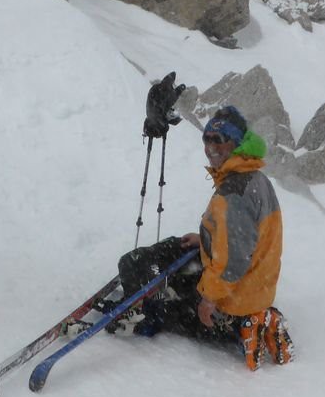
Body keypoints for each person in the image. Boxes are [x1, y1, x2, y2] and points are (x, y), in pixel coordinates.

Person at [107, 105, 292, 370]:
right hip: (253, 288)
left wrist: (209, 300)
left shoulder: (233, 193)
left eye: (219, 139)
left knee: (134, 266)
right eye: (207, 138)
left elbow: (233, 262)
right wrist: (206, 239)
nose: (210, 146)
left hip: (230, 299)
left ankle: (149, 316)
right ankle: (251, 316)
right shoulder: (254, 178)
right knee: (173, 249)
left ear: (236, 143)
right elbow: (245, 238)